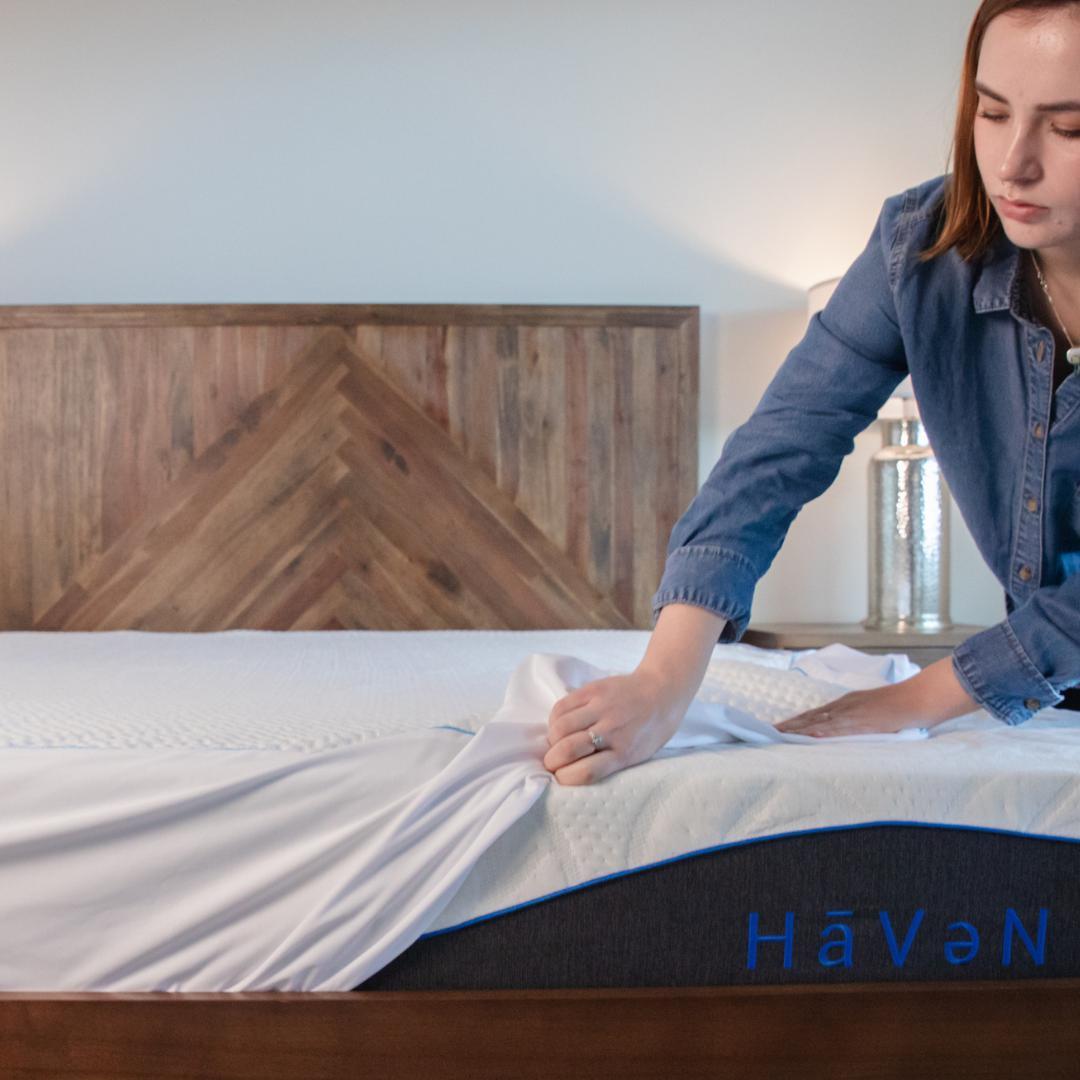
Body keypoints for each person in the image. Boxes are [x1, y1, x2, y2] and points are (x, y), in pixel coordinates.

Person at [544, 0, 1080, 787]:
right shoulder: (921, 249)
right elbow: (777, 451)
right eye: (992, 113)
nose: (1012, 164)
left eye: (1070, 129)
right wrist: (663, 679)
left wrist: (918, 700)